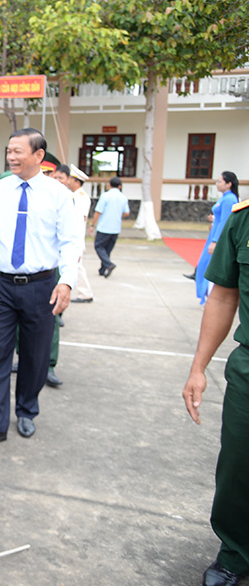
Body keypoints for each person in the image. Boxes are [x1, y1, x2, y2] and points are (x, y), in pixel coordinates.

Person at [0, 128, 82, 447]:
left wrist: (66, 282)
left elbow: (70, 241)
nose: (11, 157)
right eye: (9, 151)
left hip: (42, 286)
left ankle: (26, 410)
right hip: (3, 285)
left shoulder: (58, 195)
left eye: (18, 151)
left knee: (35, 356)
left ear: (38, 156)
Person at [182, 194, 249, 586]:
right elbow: (223, 295)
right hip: (247, 369)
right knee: (238, 466)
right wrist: (199, 367)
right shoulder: (243, 220)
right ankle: (235, 552)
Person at [195, 172, 240, 305]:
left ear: (229, 184)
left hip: (218, 239)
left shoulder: (230, 199)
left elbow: (226, 221)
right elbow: (221, 218)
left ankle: (211, 298)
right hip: (213, 234)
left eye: (220, 181)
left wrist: (215, 241)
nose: (217, 184)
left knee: (210, 267)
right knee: (203, 265)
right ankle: (205, 296)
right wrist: (214, 220)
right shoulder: (224, 198)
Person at [89, 176, 130, 279]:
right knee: (107, 249)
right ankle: (103, 270)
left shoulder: (105, 196)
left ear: (109, 185)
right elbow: (126, 213)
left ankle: (108, 264)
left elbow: (98, 211)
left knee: (98, 246)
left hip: (104, 227)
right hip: (116, 228)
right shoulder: (123, 197)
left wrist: (92, 224)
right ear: (120, 186)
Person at [65, 164, 93, 303]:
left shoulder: (81, 197)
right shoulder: (73, 195)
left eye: (70, 178)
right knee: (77, 266)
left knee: (77, 266)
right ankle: (85, 292)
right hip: (73, 238)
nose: (67, 181)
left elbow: (79, 220)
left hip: (75, 237)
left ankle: (85, 293)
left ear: (77, 181)